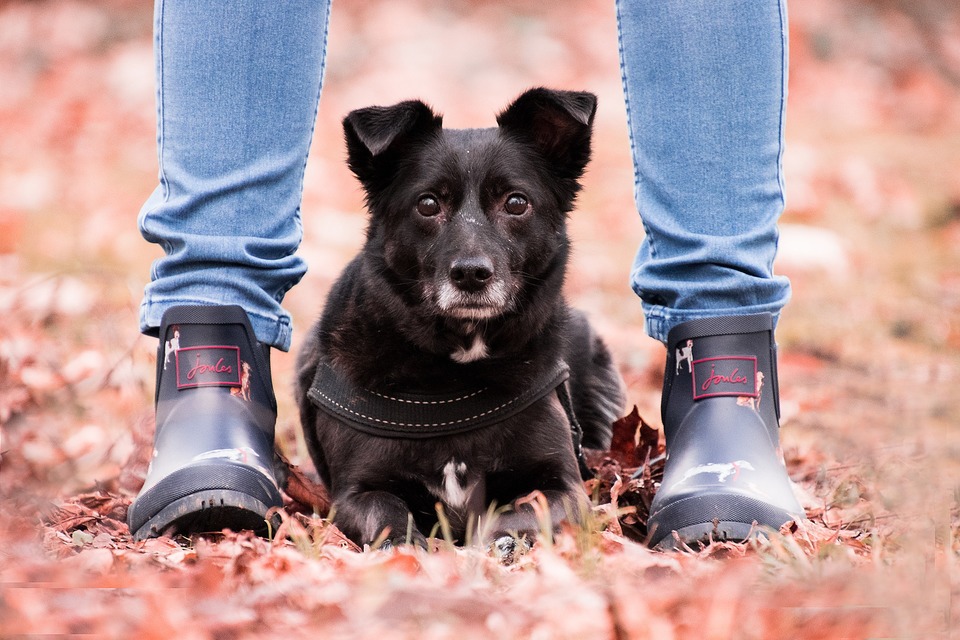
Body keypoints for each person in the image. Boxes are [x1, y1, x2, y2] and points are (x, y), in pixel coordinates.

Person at [128, 0, 804, 549]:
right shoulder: (352, 349)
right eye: (430, 206)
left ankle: (725, 374)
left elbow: (560, 494)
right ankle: (210, 361)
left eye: (514, 205)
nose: (472, 255)